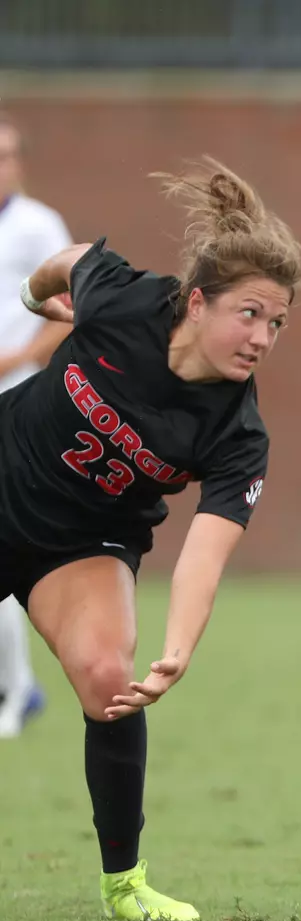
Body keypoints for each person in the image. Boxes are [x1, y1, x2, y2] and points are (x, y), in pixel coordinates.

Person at [1, 157, 301, 920]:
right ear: (196, 303)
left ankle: (123, 884)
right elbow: (68, 263)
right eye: (250, 314)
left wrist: (177, 647)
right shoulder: (130, 301)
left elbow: (206, 549)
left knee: (110, 683)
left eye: (277, 323)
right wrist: (41, 299)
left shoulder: (238, 432)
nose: (263, 337)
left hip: (80, 544)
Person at [0, 112, 72, 737]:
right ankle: (18, 687)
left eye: (7, 154)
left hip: (17, 400)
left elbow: (70, 311)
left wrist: (20, 356)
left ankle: (17, 689)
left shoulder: (38, 225)